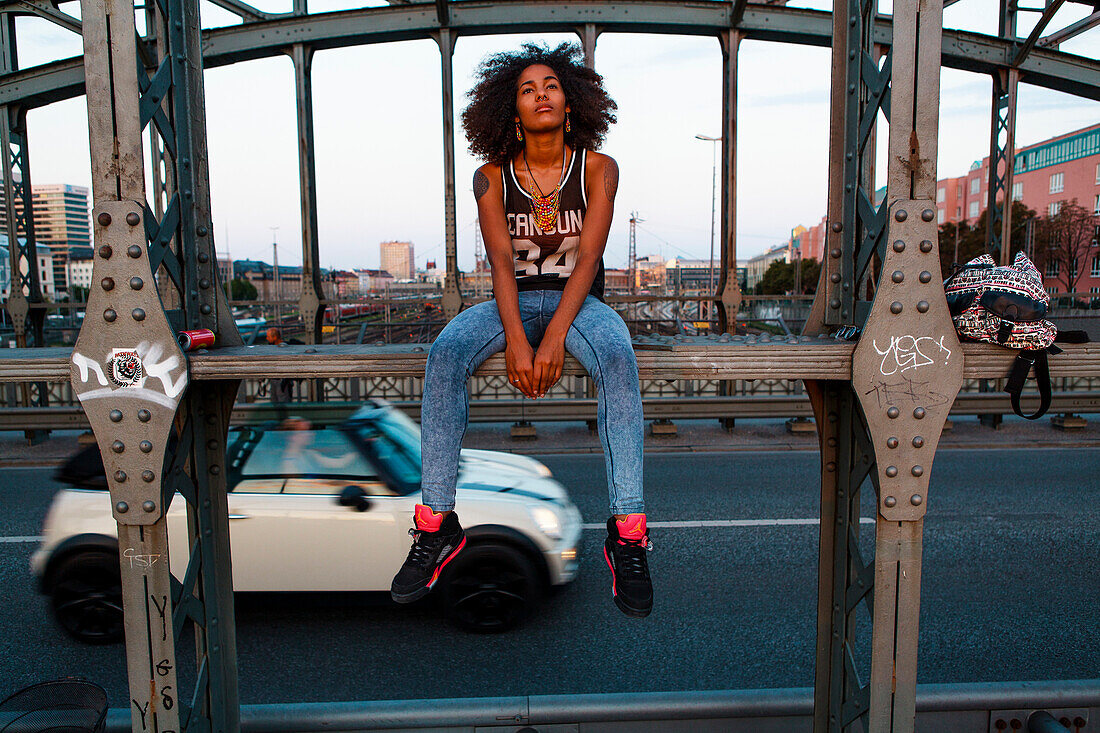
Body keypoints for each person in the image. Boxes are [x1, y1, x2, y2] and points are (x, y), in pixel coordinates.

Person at [390, 42, 652, 618]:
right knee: (447, 351)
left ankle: (627, 533)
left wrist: (552, 339)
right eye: (528, 89)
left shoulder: (599, 169)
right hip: (512, 299)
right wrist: (515, 337)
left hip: (579, 303)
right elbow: (501, 265)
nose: (541, 94)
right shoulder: (490, 178)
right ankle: (436, 525)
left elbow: (586, 261)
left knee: (615, 355)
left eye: (552, 86)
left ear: (571, 102)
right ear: (513, 111)